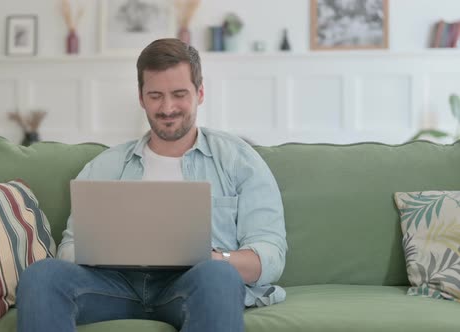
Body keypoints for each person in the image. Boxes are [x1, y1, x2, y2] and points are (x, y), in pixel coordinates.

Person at [16, 38, 287, 332]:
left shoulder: (239, 160)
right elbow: (69, 248)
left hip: (195, 285)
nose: (167, 108)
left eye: (179, 94)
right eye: (155, 95)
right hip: (115, 285)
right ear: (141, 97)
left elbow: (270, 256)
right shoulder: (105, 166)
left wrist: (214, 258)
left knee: (218, 275)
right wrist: (110, 252)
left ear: (200, 93)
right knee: (41, 276)